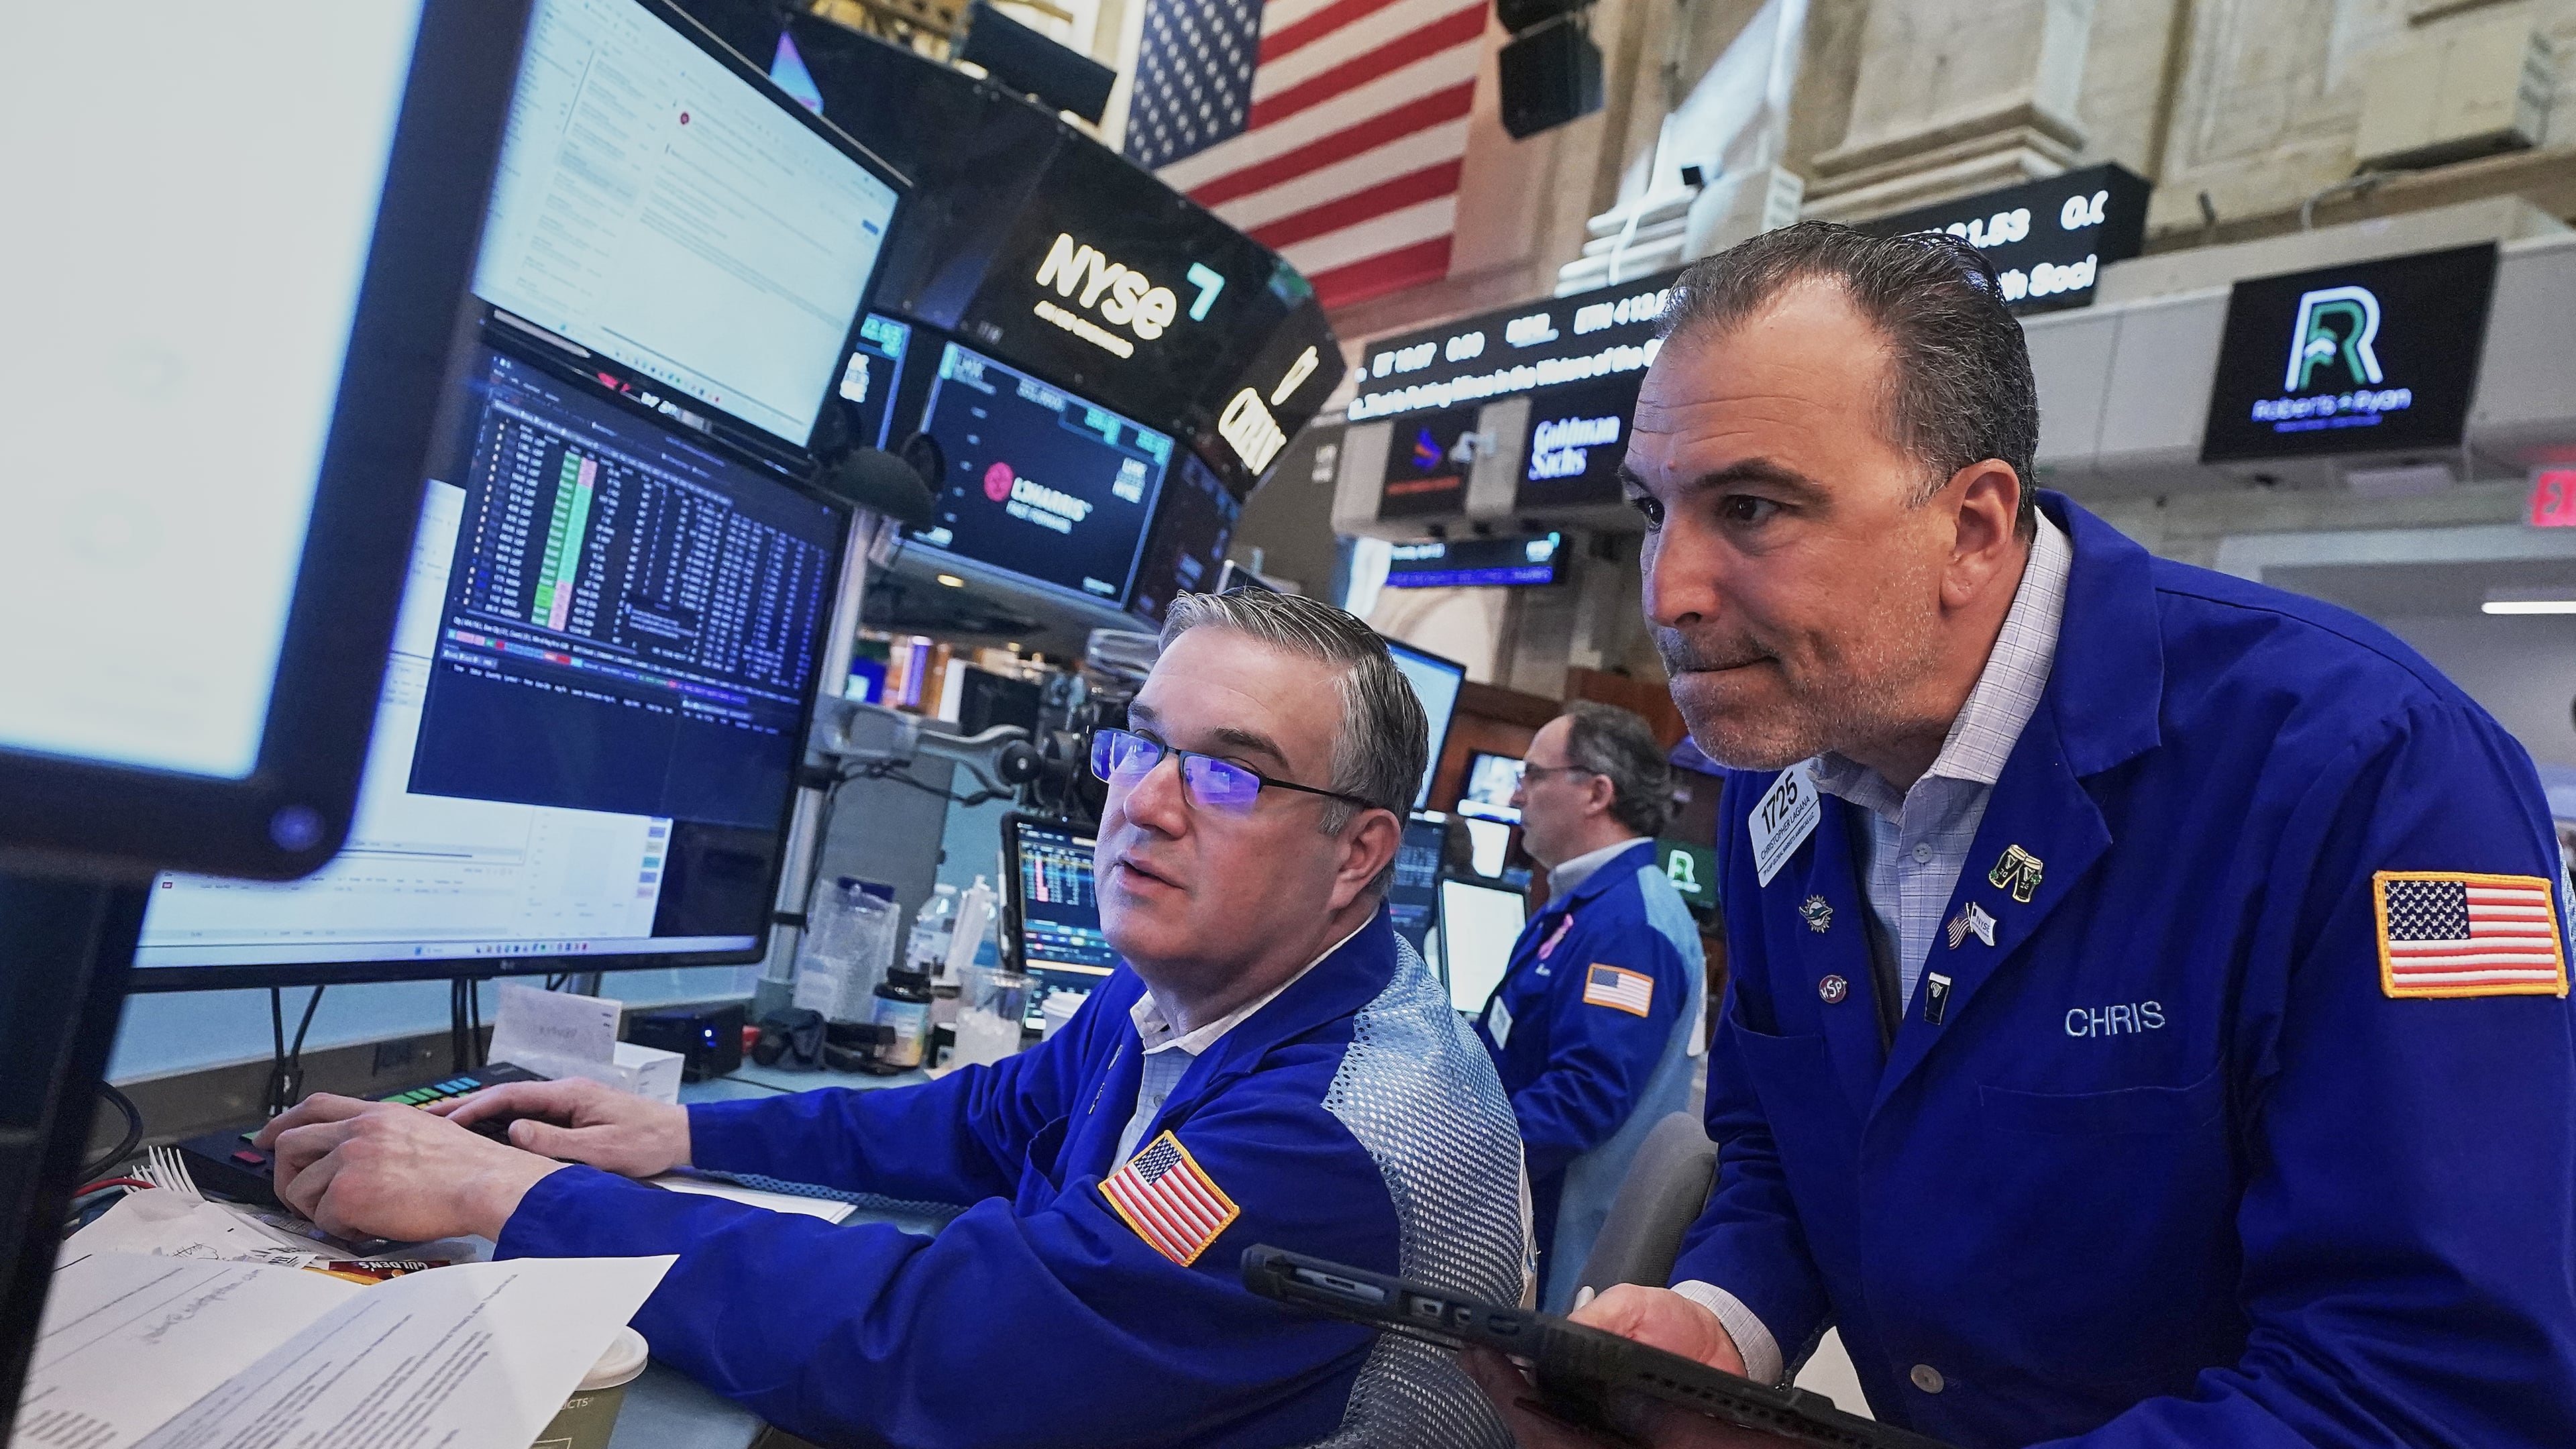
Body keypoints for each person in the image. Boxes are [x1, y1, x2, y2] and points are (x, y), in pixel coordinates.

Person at [1477, 221, 2576, 1447]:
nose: (1668, 590)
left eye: (1751, 508)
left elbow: (2436, 1377)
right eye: (1652, 510)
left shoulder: (2374, 776)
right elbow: (1781, 1152)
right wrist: (1723, 1322)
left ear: (1975, 527)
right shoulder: (1787, 767)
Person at [258, 589, 1531, 1449]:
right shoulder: (1199, 990)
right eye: (1140, 747)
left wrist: (513, 1201)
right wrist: (682, 1140)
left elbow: (937, 1346)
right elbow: (983, 1117)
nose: (1144, 803)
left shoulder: (1330, 1134)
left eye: (1227, 772)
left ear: (1359, 851)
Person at [1474, 700, 1703, 1310]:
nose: (1517, 796)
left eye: (1532, 775)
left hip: (1556, 1251)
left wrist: (1453, 1155)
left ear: (1596, 792)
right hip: (1526, 1220)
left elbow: (1582, 1099)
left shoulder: (1631, 926)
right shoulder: (1583, 903)